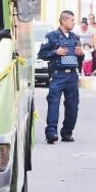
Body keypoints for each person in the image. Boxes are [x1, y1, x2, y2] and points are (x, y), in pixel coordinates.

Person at [38, 10, 83, 144]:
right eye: (71, 20)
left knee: (72, 106)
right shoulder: (52, 36)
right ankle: (51, 132)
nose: (74, 22)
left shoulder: (75, 37)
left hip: (72, 76)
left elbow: (79, 60)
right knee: (54, 103)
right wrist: (55, 52)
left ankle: (67, 133)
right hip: (58, 75)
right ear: (63, 21)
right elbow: (42, 54)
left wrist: (81, 55)